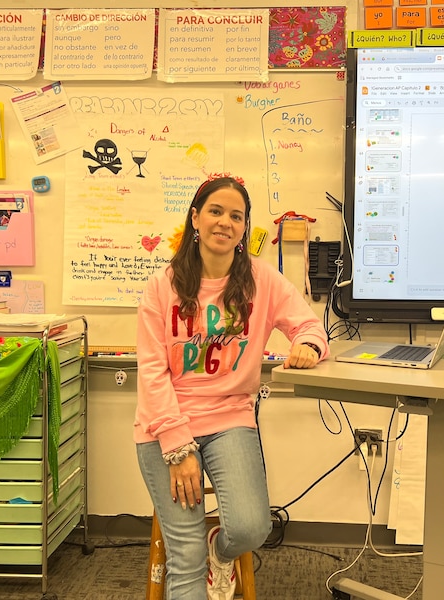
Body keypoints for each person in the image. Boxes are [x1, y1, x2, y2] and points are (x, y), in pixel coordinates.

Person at [134, 174, 329, 600]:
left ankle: (219, 554)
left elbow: (309, 325)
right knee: (184, 555)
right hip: (164, 426)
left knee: (250, 529)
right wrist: (178, 447)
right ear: (196, 219)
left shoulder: (262, 279)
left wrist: (308, 344)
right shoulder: (161, 286)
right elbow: (151, 372)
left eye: (236, 216)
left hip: (229, 418)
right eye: (216, 211)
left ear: (244, 228)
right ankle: (199, 563)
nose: (225, 222)